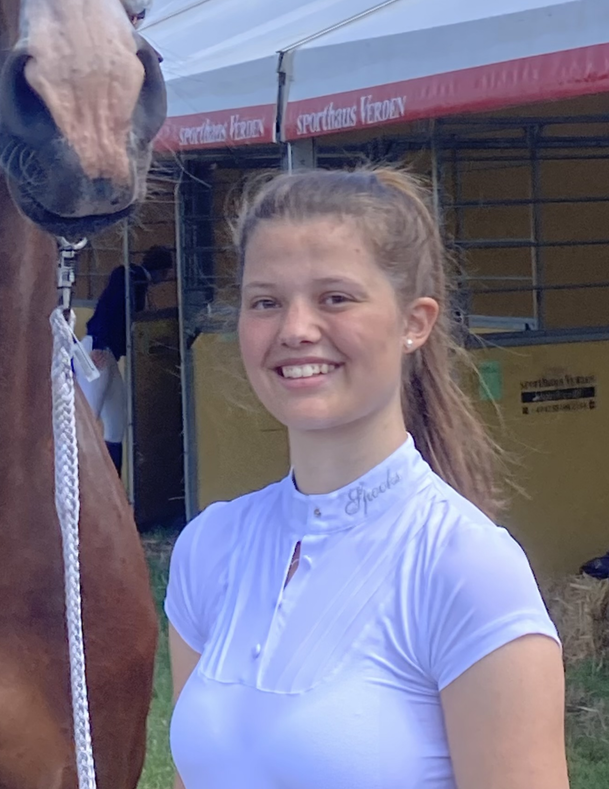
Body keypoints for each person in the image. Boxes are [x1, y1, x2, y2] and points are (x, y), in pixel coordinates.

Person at [165, 169, 567, 789]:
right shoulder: (209, 549)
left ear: (416, 322)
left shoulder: (466, 567)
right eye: (265, 301)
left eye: (335, 298)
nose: (295, 329)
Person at [79, 247, 173, 471]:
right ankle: (80, 479)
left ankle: (114, 486)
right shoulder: (128, 276)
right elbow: (107, 309)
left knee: (116, 421)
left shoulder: (135, 279)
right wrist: (100, 343)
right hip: (97, 348)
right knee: (89, 418)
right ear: (162, 270)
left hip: (106, 351)